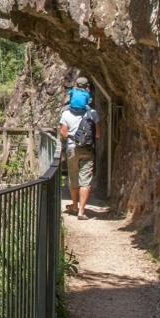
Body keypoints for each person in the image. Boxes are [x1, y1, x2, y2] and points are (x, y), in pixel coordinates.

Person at [60, 76, 102, 220]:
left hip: (72, 148)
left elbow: (63, 134)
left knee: (73, 178)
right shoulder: (93, 113)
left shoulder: (66, 113)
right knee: (86, 181)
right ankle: (82, 211)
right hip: (87, 150)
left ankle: (74, 205)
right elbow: (98, 135)